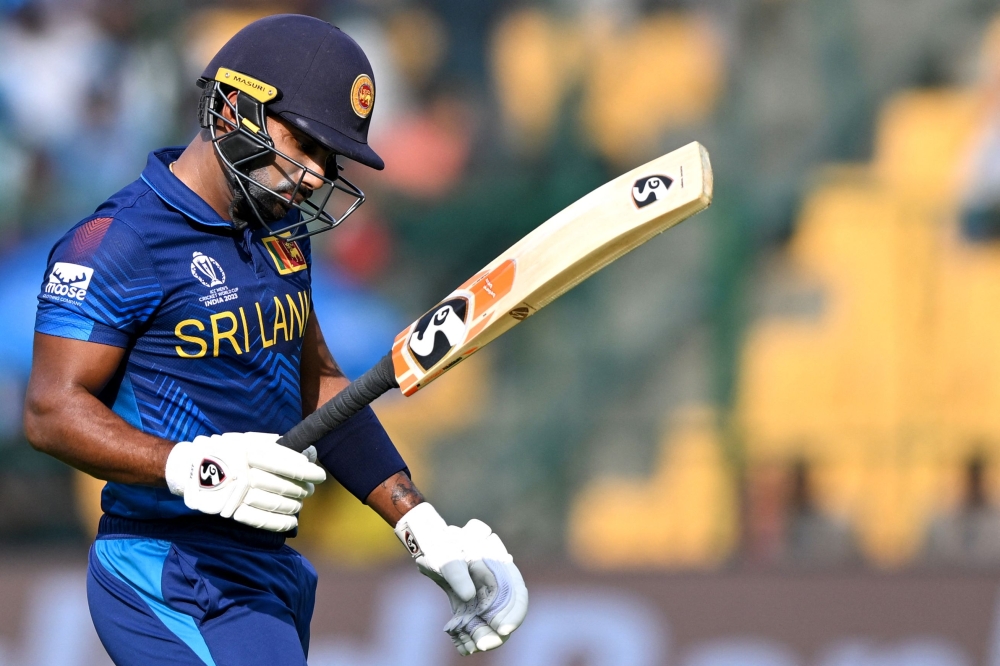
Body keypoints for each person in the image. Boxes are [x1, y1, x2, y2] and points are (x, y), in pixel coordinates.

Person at [22, 14, 527, 665]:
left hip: (267, 570)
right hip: (167, 568)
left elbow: (316, 383)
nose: (316, 175)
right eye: (305, 144)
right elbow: (48, 410)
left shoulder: (281, 230)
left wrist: (417, 521)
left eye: (329, 156)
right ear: (233, 107)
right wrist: (195, 466)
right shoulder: (118, 242)